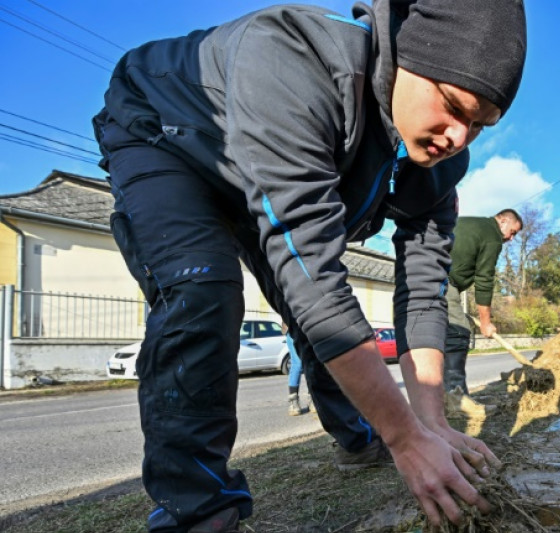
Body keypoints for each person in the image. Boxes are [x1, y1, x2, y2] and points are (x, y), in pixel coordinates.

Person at [91, 0, 526, 530]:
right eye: (454, 107)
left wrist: (428, 424)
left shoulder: (442, 164)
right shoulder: (296, 61)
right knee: (203, 291)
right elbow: (313, 274)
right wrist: (405, 436)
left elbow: (423, 290)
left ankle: (360, 439)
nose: (460, 137)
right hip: (169, 135)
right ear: (406, 59)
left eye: (480, 125)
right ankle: (197, 509)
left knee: (320, 321)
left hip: (258, 171)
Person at [443, 210, 522, 414]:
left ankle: (440, 399)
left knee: (437, 337)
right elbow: (484, 280)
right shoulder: (492, 234)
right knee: (458, 330)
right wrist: (486, 322)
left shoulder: (472, 223)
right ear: (502, 221)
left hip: (421, 273)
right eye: (512, 232)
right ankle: (456, 401)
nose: (510, 239)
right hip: (439, 279)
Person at [282, 323, 314, 416]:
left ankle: (312, 398)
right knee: (298, 363)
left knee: (311, 363)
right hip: (292, 329)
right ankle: (293, 401)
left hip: (308, 329)